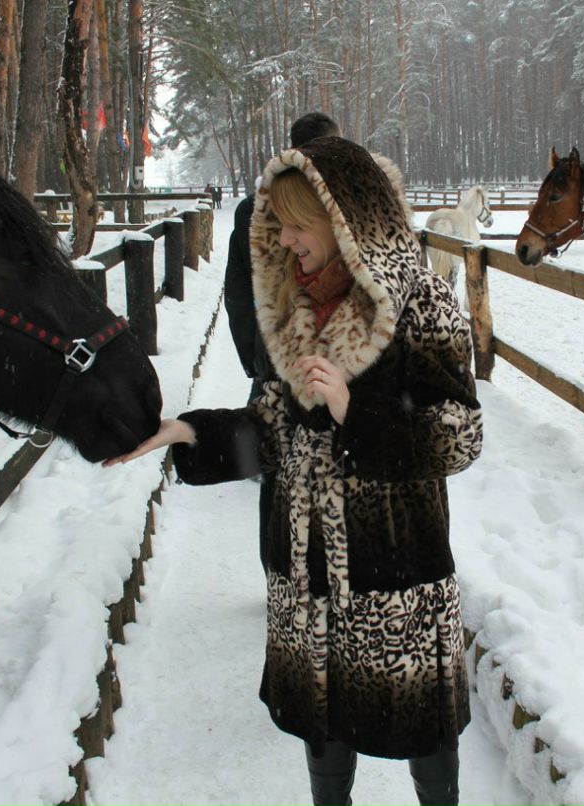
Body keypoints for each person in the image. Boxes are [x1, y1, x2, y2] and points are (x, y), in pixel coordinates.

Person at [107, 137, 483, 806]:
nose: (284, 237)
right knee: (324, 725)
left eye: (297, 222)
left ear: (342, 221)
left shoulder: (418, 302)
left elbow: (460, 434)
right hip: (306, 571)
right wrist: (188, 431)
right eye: (277, 222)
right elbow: (271, 432)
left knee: (421, 727)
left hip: (396, 571)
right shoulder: (295, 311)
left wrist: (355, 412)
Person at [226, 111, 341, 403]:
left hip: (276, 359)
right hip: (335, 364)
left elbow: (238, 292)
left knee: (265, 437)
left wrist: (254, 355)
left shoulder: (253, 209)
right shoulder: (347, 202)